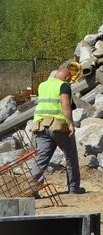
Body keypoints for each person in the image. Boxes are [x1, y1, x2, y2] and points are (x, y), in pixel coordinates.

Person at [30, 63, 83, 195]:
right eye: (71, 77)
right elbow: (65, 105)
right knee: (71, 157)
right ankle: (73, 188)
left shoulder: (43, 85)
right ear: (67, 74)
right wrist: (71, 124)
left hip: (41, 126)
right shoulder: (63, 86)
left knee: (41, 159)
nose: (71, 80)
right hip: (58, 126)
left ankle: (32, 189)